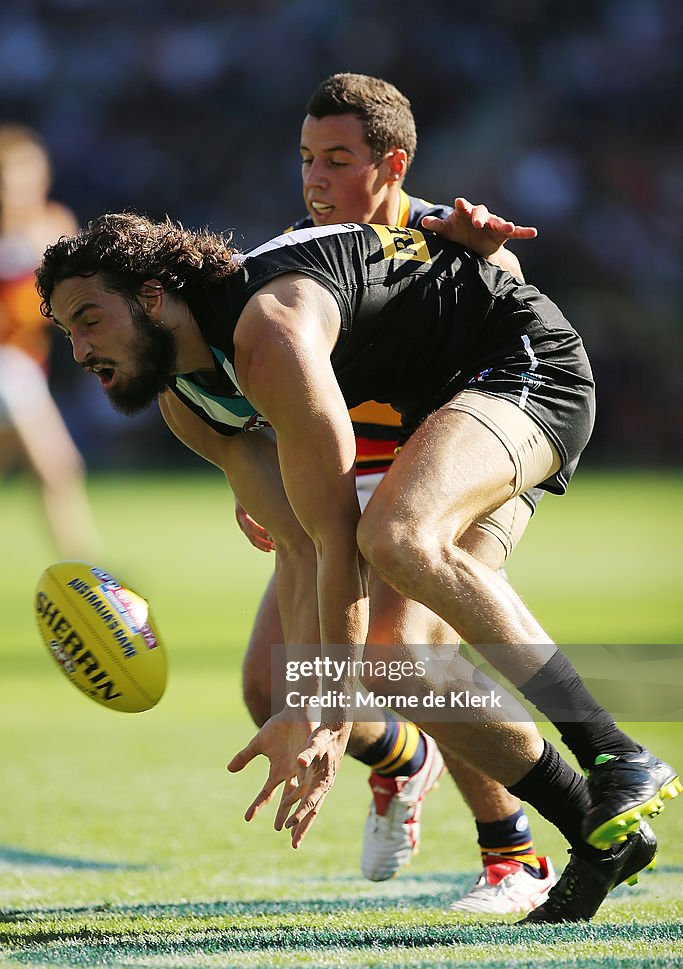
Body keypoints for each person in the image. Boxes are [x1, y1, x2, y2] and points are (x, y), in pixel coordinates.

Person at [36, 208, 678, 922]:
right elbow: (303, 547)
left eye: (89, 319)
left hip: (524, 365)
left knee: (395, 536)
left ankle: (611, 751)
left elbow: (338, 537)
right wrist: (304, 700)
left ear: (153, 298)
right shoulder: (188, 403)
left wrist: (328, 714)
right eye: (67, 331)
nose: (78, 350)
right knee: (392, 658)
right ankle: (594, 830)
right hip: (438, 418)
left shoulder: (267, 334)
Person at [235, 73, 554, 913]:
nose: (314, 179)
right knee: (275, 688)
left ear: (391, 165)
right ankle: (405, 760)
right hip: (351, 482)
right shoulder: (295, 254)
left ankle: (512, 857)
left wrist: (488, 253)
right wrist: (262, 478)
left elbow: (512, 307)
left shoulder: (446, 237)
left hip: (451, 475)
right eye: (306, 158)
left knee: (402, 658)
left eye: (337, 160)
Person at [0, 124, 100, 560]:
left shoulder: (53, 226)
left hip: (25, 366)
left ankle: (83, 569)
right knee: (55, 464)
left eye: (25, 177)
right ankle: (87, 571)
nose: (15, 190)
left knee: (54, 469)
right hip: (10, 369)